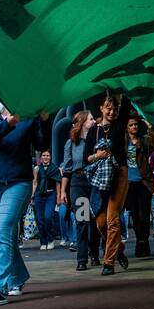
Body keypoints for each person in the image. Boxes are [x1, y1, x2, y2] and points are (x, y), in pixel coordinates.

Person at [0, 101, 48, 305]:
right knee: (6, 234)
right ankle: (18, 276)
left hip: (18, 182)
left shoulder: (28, 112)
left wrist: (44, 121)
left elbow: (42, 144)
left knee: (3, 231)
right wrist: (8, 122)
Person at [84, 93, 130, 275]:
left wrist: (121, 85)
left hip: (119, 174)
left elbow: (126, 103)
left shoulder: (119, 124)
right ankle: (118, 249)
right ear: (101, 109)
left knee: (112, 220)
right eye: (108, 108)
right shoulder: (94, 131)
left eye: (115, 109)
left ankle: (108, 263)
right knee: (100, 223)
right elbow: (86, 158)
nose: (112, 112)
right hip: (101, 179)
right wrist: (98, 155)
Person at [60, 110, 97, 270]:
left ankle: (94, 254)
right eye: (90, 119)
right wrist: (62, 191)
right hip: (78, 182)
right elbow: (67, 169)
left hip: (95, 181)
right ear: (82, 122)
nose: (94, 121)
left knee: (95, 219)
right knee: (82, 220)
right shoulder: (71, 143)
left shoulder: (97, 141)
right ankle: (82, 259)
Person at [123, 115, 154, 258]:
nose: (134, 127)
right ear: (127, 127)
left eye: (136, 124)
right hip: (129, 184)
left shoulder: (144, 141)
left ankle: (143, 241)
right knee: (135, 215)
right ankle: (141, 241)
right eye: (131, 125)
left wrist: (150, 127)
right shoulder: (123, 142)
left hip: (144, 182)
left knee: (144, 214)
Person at [33, 150, 60, 250]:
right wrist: (32, 195)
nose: (45, 157)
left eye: (47, 155)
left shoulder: (55, 168)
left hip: (50, 194)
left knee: (48, 217)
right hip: (39, 195)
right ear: (41, 157)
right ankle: (43, 241)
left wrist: (58, 196)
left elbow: (58, 183)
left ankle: (50, 239)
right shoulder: (36, 168)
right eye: (44, 155)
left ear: (50, 157)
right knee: (40, 220)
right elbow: (35, 182)